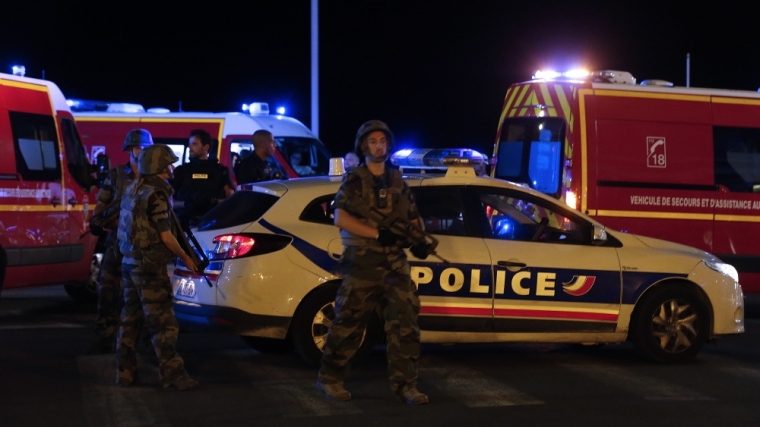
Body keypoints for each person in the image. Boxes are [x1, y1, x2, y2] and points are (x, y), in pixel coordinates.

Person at [316, 120, 431, 405]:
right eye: (372, 141)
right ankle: (329, 379)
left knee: (405, 323)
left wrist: (419, 239)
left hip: (394, 263)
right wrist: (379, 233)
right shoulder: (354, 179)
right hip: (362, 263)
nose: (378, 145)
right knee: (349, 323)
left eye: (382, 141)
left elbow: (413, 217)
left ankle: (406, 386)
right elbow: (340, 218)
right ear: (363, 146)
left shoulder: (397, 179)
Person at [116, 144, 200, 390]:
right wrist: (186, 257)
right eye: (169, 164)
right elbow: (166, 236)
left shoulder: (134, 188)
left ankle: (125, 373)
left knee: (129, 319)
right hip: (149, 266)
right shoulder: (156, 194)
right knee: (162, 321)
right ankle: (173, 375)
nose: (172, 168)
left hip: (129, 262)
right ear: (160, 167)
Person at [85, 129, 153, 355]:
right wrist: (99, 221)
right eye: (136, 147)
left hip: (143, 245)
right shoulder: (116, 176)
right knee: (107, 290)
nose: (140, 152)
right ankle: (105, 335)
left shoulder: (155, 178)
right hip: (117, 241)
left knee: (144, 295)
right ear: (129, 150)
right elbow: (102, 207)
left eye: (144, 148)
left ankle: (146, 340)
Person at [171, 129, 234, 227]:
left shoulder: (220, 171)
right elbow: (168, 201)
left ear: (206, 147)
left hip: (212, 224)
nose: (190, 147)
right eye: (189, 143)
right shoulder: (182, 171)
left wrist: (214, 202)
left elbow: (231, 199)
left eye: (194, 144)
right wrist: (186, 204)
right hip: (185, 224)